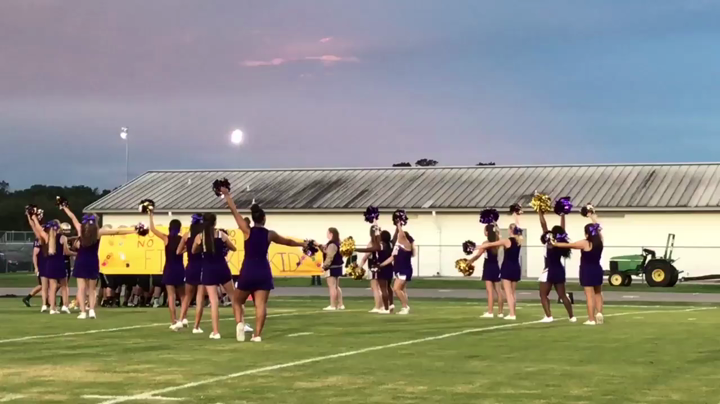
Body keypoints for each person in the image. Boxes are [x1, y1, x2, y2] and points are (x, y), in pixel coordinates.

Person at [222, 187, 307, 342]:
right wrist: (303, 244)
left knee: (236, 300)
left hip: (248, 270)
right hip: (263, 270)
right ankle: (257, 335)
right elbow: (288, 242)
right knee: (260, 304)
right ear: (264, 219)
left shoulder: (247, 231)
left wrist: (227, 195)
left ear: (253, 219)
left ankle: (240, 323)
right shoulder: (270, 234)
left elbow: (234, 212)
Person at [62, 206, 137, 319]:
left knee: (81, 289)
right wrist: (135, 230)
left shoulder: (80, 230)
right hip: (92, 261)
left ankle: (83, 312)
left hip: (81, 261)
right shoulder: (98, 232)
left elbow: (72, 217)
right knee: (92, 289)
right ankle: (92, 310)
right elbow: (117, 231)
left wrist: (65, 207)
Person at [552, 209, 604, 325]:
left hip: (587, 270)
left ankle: (591, 319)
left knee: (589, 296)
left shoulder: (585, 243)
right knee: (598, 294)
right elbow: (598, 228)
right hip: (597, 269)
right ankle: (599, 313)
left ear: (586, 234)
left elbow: (569, 245)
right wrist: (592, 216)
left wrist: (555, 243)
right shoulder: (600, 241)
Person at [192, 212, 238, 340]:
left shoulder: (200, 237)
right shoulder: (221, 234)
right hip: (222, 267)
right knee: (234, 297)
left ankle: (216, 331)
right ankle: (240, 323)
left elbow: (193, 250)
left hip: (208, 269)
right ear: (215, 222)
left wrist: (202, 249)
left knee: (214, 301)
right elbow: (233, 248)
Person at [475, 212, 523, 320]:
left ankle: (512, 314)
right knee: (512, 293)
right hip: (516, 267)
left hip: (507, 267)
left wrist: (477, 247)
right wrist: (517, 216)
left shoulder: (507, 241)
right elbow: (518, 227)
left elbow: (491, 244)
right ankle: (512, 312)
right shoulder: (519, 241)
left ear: (510, 231)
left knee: (508, 292)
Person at [148, 210, 186, 330]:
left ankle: (173, 320)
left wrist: (150, 215)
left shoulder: (166, 238)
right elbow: (187, 249)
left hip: (169, 268)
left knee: (171, 296)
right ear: (179, 229)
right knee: (183, 296)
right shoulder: (182, 239)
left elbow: (153, 229)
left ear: (170, 228)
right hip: (179, 268)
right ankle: (182, 318)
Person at [27, 216, 71, 314]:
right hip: (60, 263)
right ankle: (65, 305)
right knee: (64, 286)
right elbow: (66, 252)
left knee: (52, 287)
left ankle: (52, 308)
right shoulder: (63, 237)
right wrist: (76, 253)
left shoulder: (46, 237)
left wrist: (34, 219)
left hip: (50, 264)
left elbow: (38, 228)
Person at [537, 210, 576, 323]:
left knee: (543, 294)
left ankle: (548, 316)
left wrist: (540, 212)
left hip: (549, 270)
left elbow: (543, 225)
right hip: (559, 269)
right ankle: (572, 316)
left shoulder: (549, 242)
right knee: (563, 295)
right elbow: (562, 228)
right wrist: (562, 214)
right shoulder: (561, 243)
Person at [468, 224, 505, 318]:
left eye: (485, 230)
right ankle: (500, 313)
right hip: (496, 267)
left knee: (490, 291)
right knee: (499, 291)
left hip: (488, 267)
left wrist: (470, 261)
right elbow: (498, 232)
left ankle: (490, 312)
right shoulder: (498, 242)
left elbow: (478, 255)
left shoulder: (486, 243)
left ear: (487, 232)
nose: (484, 232)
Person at [177, 214, 205, 333]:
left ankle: (180, 319)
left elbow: (178, 251)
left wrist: (187, 249)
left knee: (187, 296)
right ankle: (196, 327)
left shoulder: (186, 235)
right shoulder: (202, 236)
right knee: (199, 298)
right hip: (202, 267)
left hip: (190, 266)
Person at [380, 223, 414, 315]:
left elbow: (402, 234)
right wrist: (381, 265)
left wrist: (399, 224)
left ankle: (405, 307)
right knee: (401, 290)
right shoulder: (397, 246)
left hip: (404, 270)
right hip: (398, 270)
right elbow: (392, 258)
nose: (399, 236)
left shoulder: (407, 245)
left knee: (396, 289)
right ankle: (405, 306)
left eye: (400, 235)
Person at [319, 227, 345, 311]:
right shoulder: (338, 243)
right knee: (336, 286)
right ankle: (340, 304)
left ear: (331, 234)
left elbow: (329, 256)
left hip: (332, 267)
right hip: (338, 267)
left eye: (327, 233)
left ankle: (332, 305)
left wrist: (324, 266)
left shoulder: (332, 244)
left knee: (332, 287)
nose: (326, 234)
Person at [23, 236, 46, 309]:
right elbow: (35, 255)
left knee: (44, 285)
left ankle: (28, 298)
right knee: (43, 285)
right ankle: (45, 301)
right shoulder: (39, 240)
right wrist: (36, 267)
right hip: (42, 266)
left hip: (46, 265)